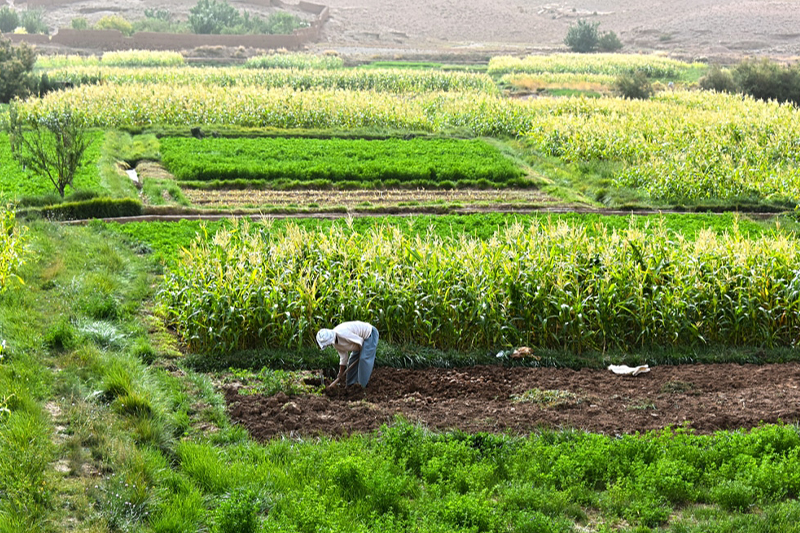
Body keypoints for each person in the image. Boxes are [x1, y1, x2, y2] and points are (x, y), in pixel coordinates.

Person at [316, 321, 379, 388]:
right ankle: (350, 385)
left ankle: (361, 387)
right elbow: (343, 357)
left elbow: (360, 341)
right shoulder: (335, 344)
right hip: (358, 345)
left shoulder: (343, 333)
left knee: (363, 360)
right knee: (351, 360)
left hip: (369, 335)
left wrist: (362, 354)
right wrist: (341, 372)